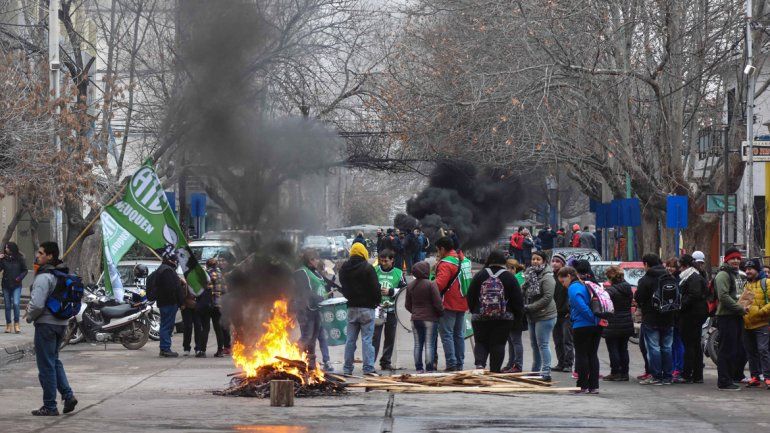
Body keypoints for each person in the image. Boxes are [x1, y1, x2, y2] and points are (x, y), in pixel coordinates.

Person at [26, 241, 78, 416]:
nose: (37, 256)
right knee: (54, 361)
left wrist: (29, 316)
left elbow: (37, 304)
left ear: (50, 256)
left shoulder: (44, 276)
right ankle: (68, 396)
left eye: (41, 253)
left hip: (46, 325)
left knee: (46, 366)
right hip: (61, 324)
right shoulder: (62, 274)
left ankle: (50, 406)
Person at [467, 251, 524, 372]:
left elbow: (470, 295)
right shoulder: (510, 277)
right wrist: (517, 317)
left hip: (480, 316)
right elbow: (518, 300)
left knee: (481, 341)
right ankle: (495, 370)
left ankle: (480, 365)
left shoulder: (480, 275)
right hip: (503, 318)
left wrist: (474, 310)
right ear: (504, 262)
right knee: (498, 344)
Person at [339, 242, 381, 376]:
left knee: (350, 340)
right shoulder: (368, 268)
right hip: (367, 309)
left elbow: (343, 286)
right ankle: (368, 367)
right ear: (364, 252)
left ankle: (347, 368)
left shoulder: (344, 268)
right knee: (367, 340)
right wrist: (376, 302)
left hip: (351, 308)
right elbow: (375, 288)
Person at [558, 266, 601, 394]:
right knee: (592, 354)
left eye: (563, 281)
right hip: (596, 325)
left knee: (582, 355)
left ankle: (582, 385)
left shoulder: (573, 288)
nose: (563, 285)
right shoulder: (584, 284)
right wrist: (596, 320)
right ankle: (593, 386)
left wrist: (591, 318)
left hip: (582, 325)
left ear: (569, 277)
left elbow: (581, 305)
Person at [635, 253, 675, 385]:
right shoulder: (669, 277)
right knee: (667, 347)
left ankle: (656, 376)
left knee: (654, 348)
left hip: (651, 318)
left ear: (646, 264)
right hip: (669, 317)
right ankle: (668, 376)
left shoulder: (646, 279)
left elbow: (639, 298)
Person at [713, 247, 748, 391]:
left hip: (737, 316)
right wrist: (740, 308)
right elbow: (723, 296)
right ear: (727, 259)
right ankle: (724, 381)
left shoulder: (738, 275)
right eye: (733, 258)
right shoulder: (723, 275)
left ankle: (732, 376)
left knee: (736, 349)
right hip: (727, 317)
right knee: (726, 350)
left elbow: (739, 295)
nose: (736, 261)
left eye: (738, 258)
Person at [293, 248, 333, 371]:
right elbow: (305, 292)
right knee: (306, 336)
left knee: (314, 338)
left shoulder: (315, 271)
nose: (318, 261)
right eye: (316, 259)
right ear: (310, 260)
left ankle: (311, 364)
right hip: (305, 310)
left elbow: (322, 286)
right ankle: (294, 357)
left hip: (315, 309)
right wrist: (319, 298)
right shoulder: (301, 272)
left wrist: (329, 290)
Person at [434, 236, 468, 371]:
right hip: (463, 301)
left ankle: (451, 363)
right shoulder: (464, 260)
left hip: (449, 303)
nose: (438, 253)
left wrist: (428, 287)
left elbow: (439, 284)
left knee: (447, 334)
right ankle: (459, 363)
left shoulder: (446, 263)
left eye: (438, 250)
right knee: (459, 334)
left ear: (442, 249)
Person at [522, 251, 557, 381]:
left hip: (545, 315)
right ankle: (535, 371)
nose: (535, 261)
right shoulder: (530, 274)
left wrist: (529, 307)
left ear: (544, 261)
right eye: (533, 259)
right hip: (532, 315)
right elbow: (525, 291)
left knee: (543, 344)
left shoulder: (547, 277)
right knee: (534, 345)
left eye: (538, 259)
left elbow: (547, 297)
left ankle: (546, 372)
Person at [405, 260, 443, 373]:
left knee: (418, 344)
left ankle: (419, 368)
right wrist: (440, 313)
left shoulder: (410, 285)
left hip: (415, 319)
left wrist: (415, 312)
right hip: (430, 319)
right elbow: (437, 303)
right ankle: (429, 368)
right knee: (429, 344)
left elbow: (407, 304)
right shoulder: (431, 284)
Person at [372, 249, 407, 370]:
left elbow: (404, 290)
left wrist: (391, 291)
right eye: (381, 261)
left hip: (392, 309)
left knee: (390, 337)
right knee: (375, 336)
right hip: (379, 309)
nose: (383, 263)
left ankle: (386, 362)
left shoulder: (398, 273)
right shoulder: (375, 270)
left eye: (386, 261)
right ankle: (370, 362)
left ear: (392, 260)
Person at [677, 254, 708, 384]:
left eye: (680, 266)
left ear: (685, 266)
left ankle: (688, 373)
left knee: (690, 345)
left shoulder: (692, 277)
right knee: (694, 345)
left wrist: (680, 305)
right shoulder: (695, 276)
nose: (679, 269)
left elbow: (693, 295)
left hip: (692, 315)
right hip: (695, 314)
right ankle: (696, 374)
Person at [148, 247, 184, 358]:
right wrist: (180, 301)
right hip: (168, 303)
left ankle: (165, 348)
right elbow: (172, 288)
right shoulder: (167, 271)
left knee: (166, 325)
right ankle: (165, 349)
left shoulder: (163, 269)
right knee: (166, 326)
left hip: (165, 302)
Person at [741, 258, 770, 388]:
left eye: (750, 269)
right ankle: (755, 377)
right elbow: (743, 303)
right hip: (748, 324)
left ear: (757, 270)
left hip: (762, 323)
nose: (748, 271)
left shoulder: (766, 283)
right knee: (751, 352)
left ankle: (768, 377)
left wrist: (760, 311)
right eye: (747, 269)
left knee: (763, 350)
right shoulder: (747, 285)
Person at [602, 266, 634, 381]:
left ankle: (615, 372)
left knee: (613, 348)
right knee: (623, 348)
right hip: (626, 321)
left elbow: (605, 306)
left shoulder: (610, 291)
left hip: (613, 322)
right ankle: (624, 373)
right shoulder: (628, 288)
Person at [550, 252, 574, 373]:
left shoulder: (567, 277)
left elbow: (571, 295)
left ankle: (568, 363)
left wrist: (569, 310)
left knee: (567, 340)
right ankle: (560, 363)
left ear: (563, 263)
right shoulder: (550, 277)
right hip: (554, 314)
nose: (554, 263)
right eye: (553, 261)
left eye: (557, 261)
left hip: (565, 314)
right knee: (557, 340)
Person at [503, 259, 527, 372]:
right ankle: (511, 363)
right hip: (513, 313)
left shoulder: (516, 278)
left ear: (514, 269)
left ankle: (517, 364)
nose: (507, 270)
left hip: (515, 313)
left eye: (509, 268)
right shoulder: (518, 276)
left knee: (515, 341)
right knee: (511, 340)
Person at [1, 241, 28, 333]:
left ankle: (16, 324)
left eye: (7, 247)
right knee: (7, 306)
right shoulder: (4, 259)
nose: (5, 249)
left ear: (11, 249)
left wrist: (19, 278)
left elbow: (25, 270)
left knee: (16, 304)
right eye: (5, 248)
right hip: (6, 285)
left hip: (16, 285)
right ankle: (8, 325)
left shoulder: (20, 258)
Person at [192, 259, 215, 358]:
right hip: (206, 307)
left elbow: (193, 293)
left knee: (199, 329)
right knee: (205, 329)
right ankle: (202, 350)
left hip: (199, 307)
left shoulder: (197, 285)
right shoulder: (209, 287)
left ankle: (198, 349)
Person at [215, 253, 234, 356]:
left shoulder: (232, 272)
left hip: (231, 302)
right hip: (219, 303)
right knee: (221, 326)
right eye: (220, 260)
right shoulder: (216, 273)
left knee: (228, 325)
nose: (221, 262)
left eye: (223, 260)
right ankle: (224, 346)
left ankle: (228, 346)